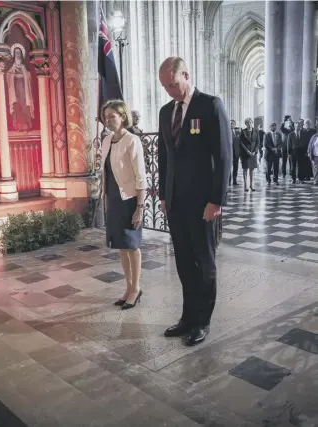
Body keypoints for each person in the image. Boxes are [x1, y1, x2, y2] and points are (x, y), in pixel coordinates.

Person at [157, 57, 231, 346]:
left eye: (173, 84)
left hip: (203, 204)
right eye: (164, 86)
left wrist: (216, 200)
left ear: (186, 75)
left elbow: (224, 156)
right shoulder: (166, 112)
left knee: (205, 262)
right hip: (176, 203)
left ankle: (202, 322)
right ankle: (187, 317)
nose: (169, 91)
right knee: (185, 263)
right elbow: (165, 157)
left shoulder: (209, 105)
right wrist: (164, 195)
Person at [101, 100, 146, 310]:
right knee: (121, 245)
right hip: (114, 198)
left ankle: (136, 288)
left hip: (129, 200)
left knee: (132, 245)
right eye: (106, 116)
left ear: (122, 116)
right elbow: (106, 174)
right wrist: (107, 201)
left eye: (112, 116)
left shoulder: (132, 140)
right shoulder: (107, 140)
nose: (108, 120)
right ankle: (128, 287)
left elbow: (140, 177)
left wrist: (140, 207)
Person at [6, 45, 35, 131]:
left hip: (24, 90)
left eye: (19, 53)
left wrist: (25, 75)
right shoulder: (12, 66)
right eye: (16, 53)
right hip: (16, 90)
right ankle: (18, 127)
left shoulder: (24, 66)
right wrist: (14, 75)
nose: (18, 54)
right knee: (17, 107)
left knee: (25, 106)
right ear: (14, 54)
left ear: (21, 54)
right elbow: (8, 75)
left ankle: (27, 126)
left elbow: (29, 76)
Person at [239, 118, 260, 191]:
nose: (250, 124)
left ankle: (251, 185)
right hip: (245, 153)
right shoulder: (243, 131)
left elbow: (258, 142)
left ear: (252, 123)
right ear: (246, 124)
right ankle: (245, 185)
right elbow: (241, 143)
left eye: (251, 122)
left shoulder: (256, 131)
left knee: (252, 170)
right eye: (248, 123)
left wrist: (255, 151)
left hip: (253, 153)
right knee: (245, 169)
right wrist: (247, 151)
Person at [230, 119, 241, 185]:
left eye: (233, 123)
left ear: (235, 124)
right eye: (231, 123)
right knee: (228, 168)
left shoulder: (238, 132)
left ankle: (234, 180)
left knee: (235, 167)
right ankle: (228, 181)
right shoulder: (226, 131)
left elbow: (240, 143)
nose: (232, 125)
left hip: (236, 153)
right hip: (229, 153)